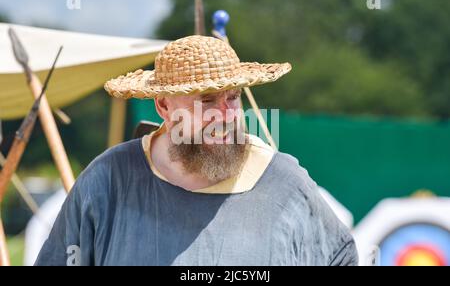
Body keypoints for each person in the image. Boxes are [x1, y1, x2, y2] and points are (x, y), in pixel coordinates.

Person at [35, 35, 357, 266]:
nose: (226, 115)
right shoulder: (109, 181)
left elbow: (341, 255)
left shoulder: (284, 184)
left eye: (232, 97)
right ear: (163, 105)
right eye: (206, 101)